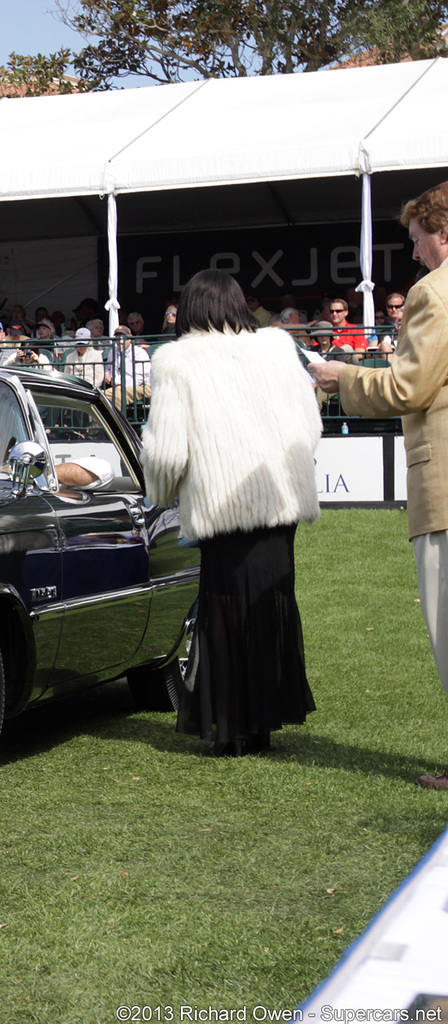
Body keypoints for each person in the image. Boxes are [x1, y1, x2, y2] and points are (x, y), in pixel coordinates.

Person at [142, 268, 320, 757]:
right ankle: (263, 719)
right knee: (270, 605)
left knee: (222, 611)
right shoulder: (278, 348)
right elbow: (311, 424)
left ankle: (229, 725)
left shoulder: (178, 361)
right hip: (278, 501)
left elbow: (166, 453)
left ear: (193, 307)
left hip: (223, 507)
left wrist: (158, 493)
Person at [311, 180, 448, 788]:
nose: (414, 254)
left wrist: (342, 376)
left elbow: (409, 388)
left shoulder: (433, 295)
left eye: (418, 240)